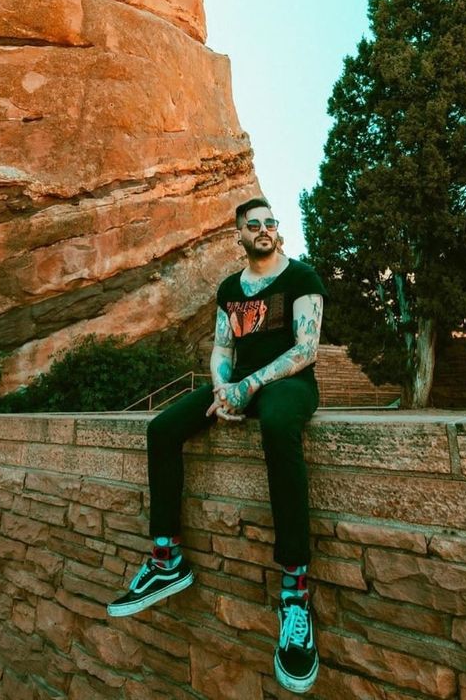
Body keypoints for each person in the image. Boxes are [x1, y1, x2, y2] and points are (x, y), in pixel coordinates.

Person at [107, 197, 326, 695]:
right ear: (240, 235)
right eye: (255, 225)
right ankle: (167, 559)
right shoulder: (231, 289)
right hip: (241, 385)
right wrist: (224, 387)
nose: (265, 229)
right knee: (161, 431)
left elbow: (305, 349)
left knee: (276, 426)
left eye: (271, 223)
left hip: (289, 386)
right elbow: (222, 349)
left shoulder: (303, 278)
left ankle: (295, 590)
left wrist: (248, 389)